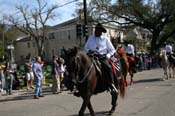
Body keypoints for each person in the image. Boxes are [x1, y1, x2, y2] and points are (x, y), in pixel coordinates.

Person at [84, 23, 116, 90]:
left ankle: (111, 84)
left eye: (97, 30)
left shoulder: (105, 39)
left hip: (102, 57)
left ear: (101, 31)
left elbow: (112, 50)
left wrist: (108, 55)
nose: (95, 31)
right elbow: (85, 48)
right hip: (91, 57)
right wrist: (89, 51)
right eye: (95, 29)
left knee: (108, 67)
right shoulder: (90, 38)